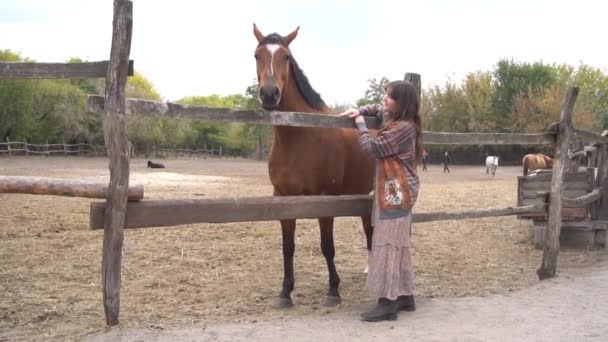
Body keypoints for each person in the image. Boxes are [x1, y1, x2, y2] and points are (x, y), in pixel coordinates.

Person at [340, 80, 421, 322]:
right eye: (386, 94)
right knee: (398, 242)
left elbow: (374, 148)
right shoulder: (395, 117)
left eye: (390, 96)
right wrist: (360, 109)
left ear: (402, 103)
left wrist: (359, 125)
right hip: (394, 187)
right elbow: (377, 107)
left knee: (386, 241)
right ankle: (405, 295)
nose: (385, 99)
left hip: (398, 189)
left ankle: (387, 303)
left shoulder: (403, 127)